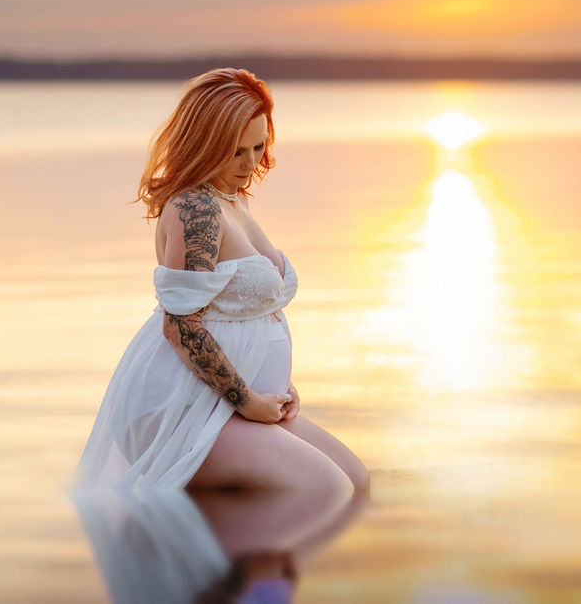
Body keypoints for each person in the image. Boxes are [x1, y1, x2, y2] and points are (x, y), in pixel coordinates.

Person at [75, 67, 368, 494]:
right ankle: (238, 557)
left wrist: (280, 387)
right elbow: (180, 327)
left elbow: (239, 313)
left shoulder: (233, 197)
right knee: (327, 488)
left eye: (259, 146)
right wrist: (250, 401)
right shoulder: (196, 208)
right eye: (235, 152)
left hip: (234, 400)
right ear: (205, 144)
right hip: (180, 407)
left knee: (356, 483)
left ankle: (251, 551)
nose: (250, 164)